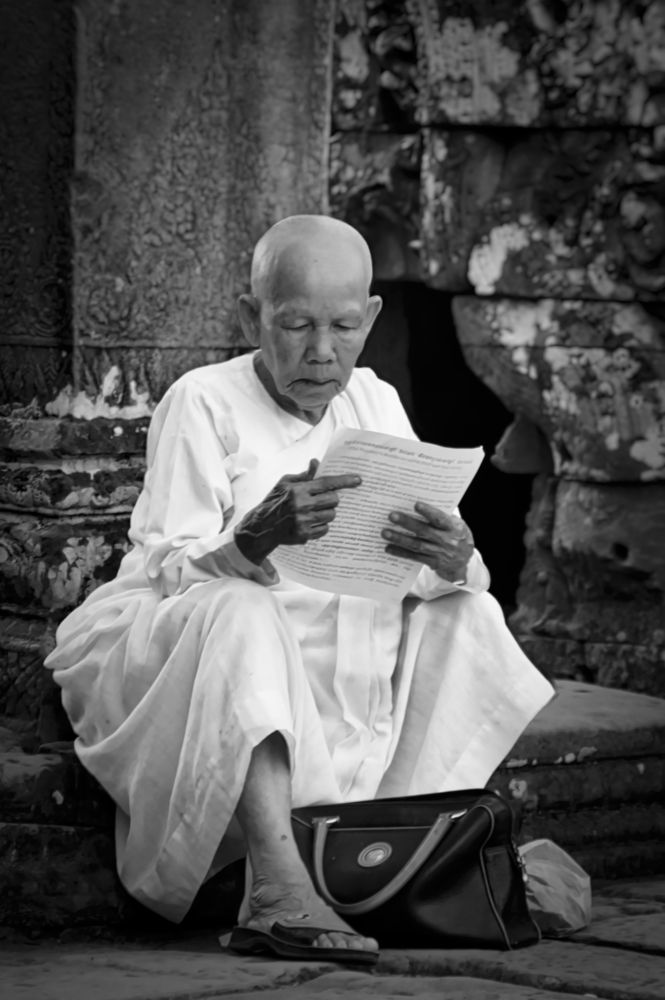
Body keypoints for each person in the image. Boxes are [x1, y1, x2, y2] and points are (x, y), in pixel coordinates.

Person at [45, 215, 553, 965]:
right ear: (250, 317)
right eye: (294, 325)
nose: (321, 352)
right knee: (243, 609)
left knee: (468, 609)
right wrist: (255, 536)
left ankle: (404, 852)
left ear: (370, 318)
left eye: (344, 327)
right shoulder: (203, 400)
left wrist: (453, 554)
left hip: (346, 640)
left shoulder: (374, 402)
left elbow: (422, 558)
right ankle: (277, 886)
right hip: (203, 651)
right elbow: (168, 565)